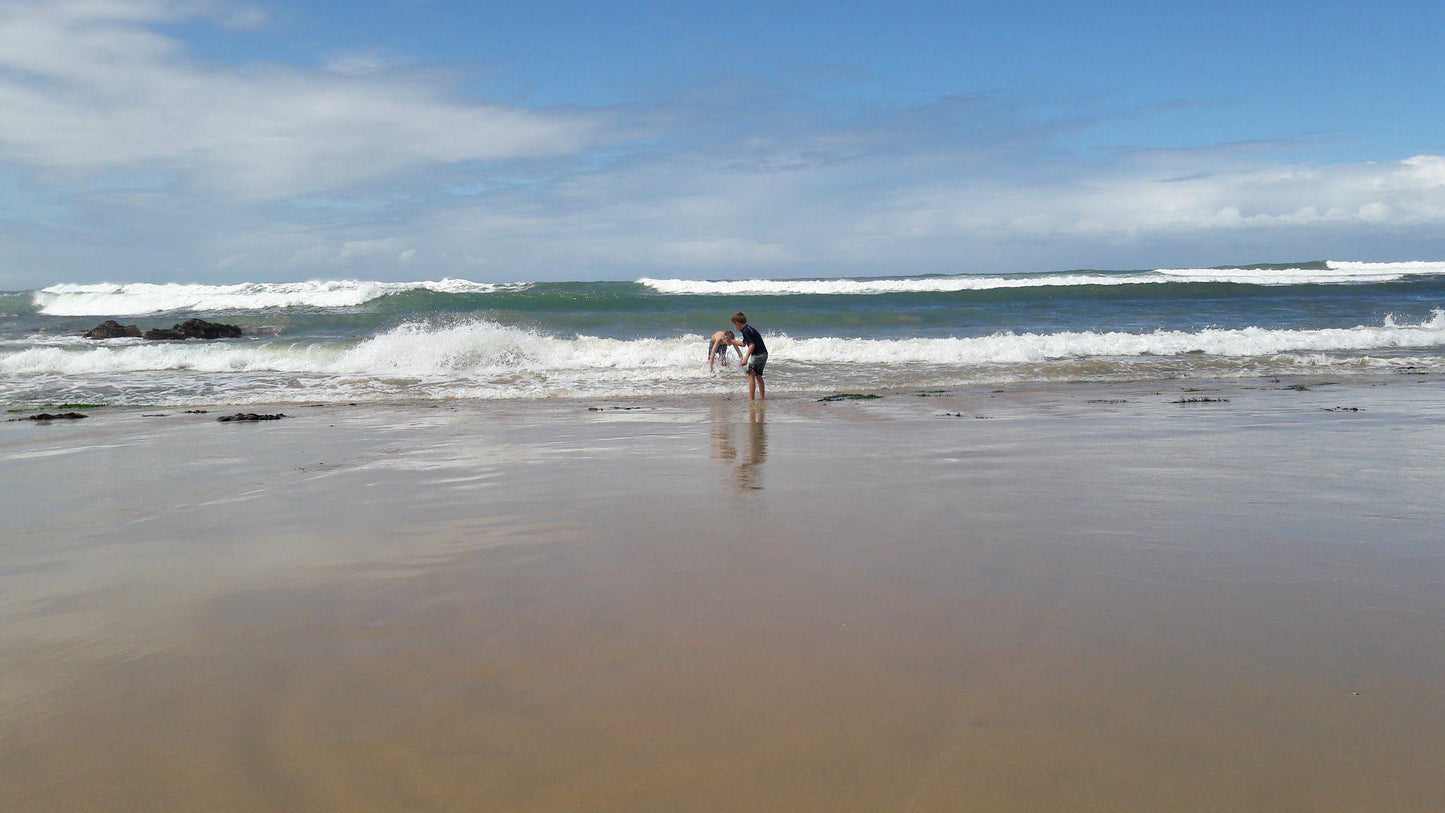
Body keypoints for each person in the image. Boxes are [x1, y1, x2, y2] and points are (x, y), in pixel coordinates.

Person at [729, 311, 767, 401]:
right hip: (764, 354)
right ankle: (762, 398)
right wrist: (732, 341)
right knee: (758, 376)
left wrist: (745, 359)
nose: (735, 327)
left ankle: (751, 398)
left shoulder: (746, 331)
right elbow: (743, 344)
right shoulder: (749, 329)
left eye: (735, 325)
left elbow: (752, 345)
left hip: (757, 355)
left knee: (751, 375)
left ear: (737, 324)